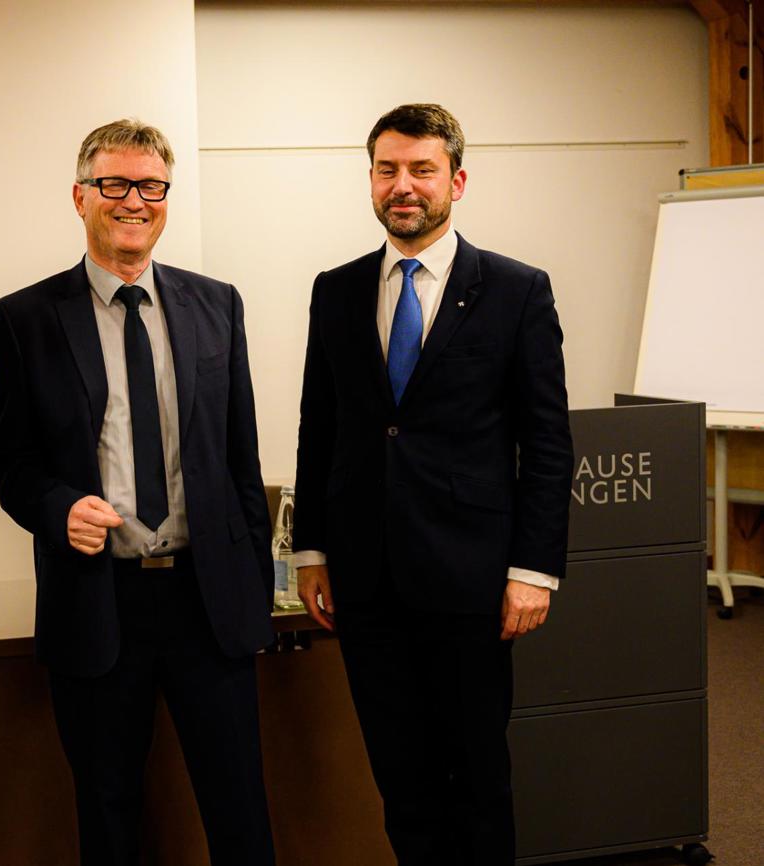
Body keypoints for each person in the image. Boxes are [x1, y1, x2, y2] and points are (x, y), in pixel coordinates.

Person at [0, 119, 276, 866]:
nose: (134, 201)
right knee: (109, 812)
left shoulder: (219, 305)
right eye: (114, 184)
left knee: (239, 807)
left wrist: (252, 598)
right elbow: (10, 460)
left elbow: (239, 461)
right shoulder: (25, 319)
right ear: (80, 197)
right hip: (98, 600)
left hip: (205, 602)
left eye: (151, 186)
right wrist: (58, 509)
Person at [293, 103, 573, 865]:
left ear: (457, 179)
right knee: (402, 780)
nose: (403, 186)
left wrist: (532, 570)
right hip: (367, 581)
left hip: (473, 582)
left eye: (421, 169)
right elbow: (321, 424)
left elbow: (547, 442)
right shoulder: (337, 289)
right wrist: (309, 549)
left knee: (477, 780)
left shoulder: (516, 290)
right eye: (387, 170)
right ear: (372, 180)